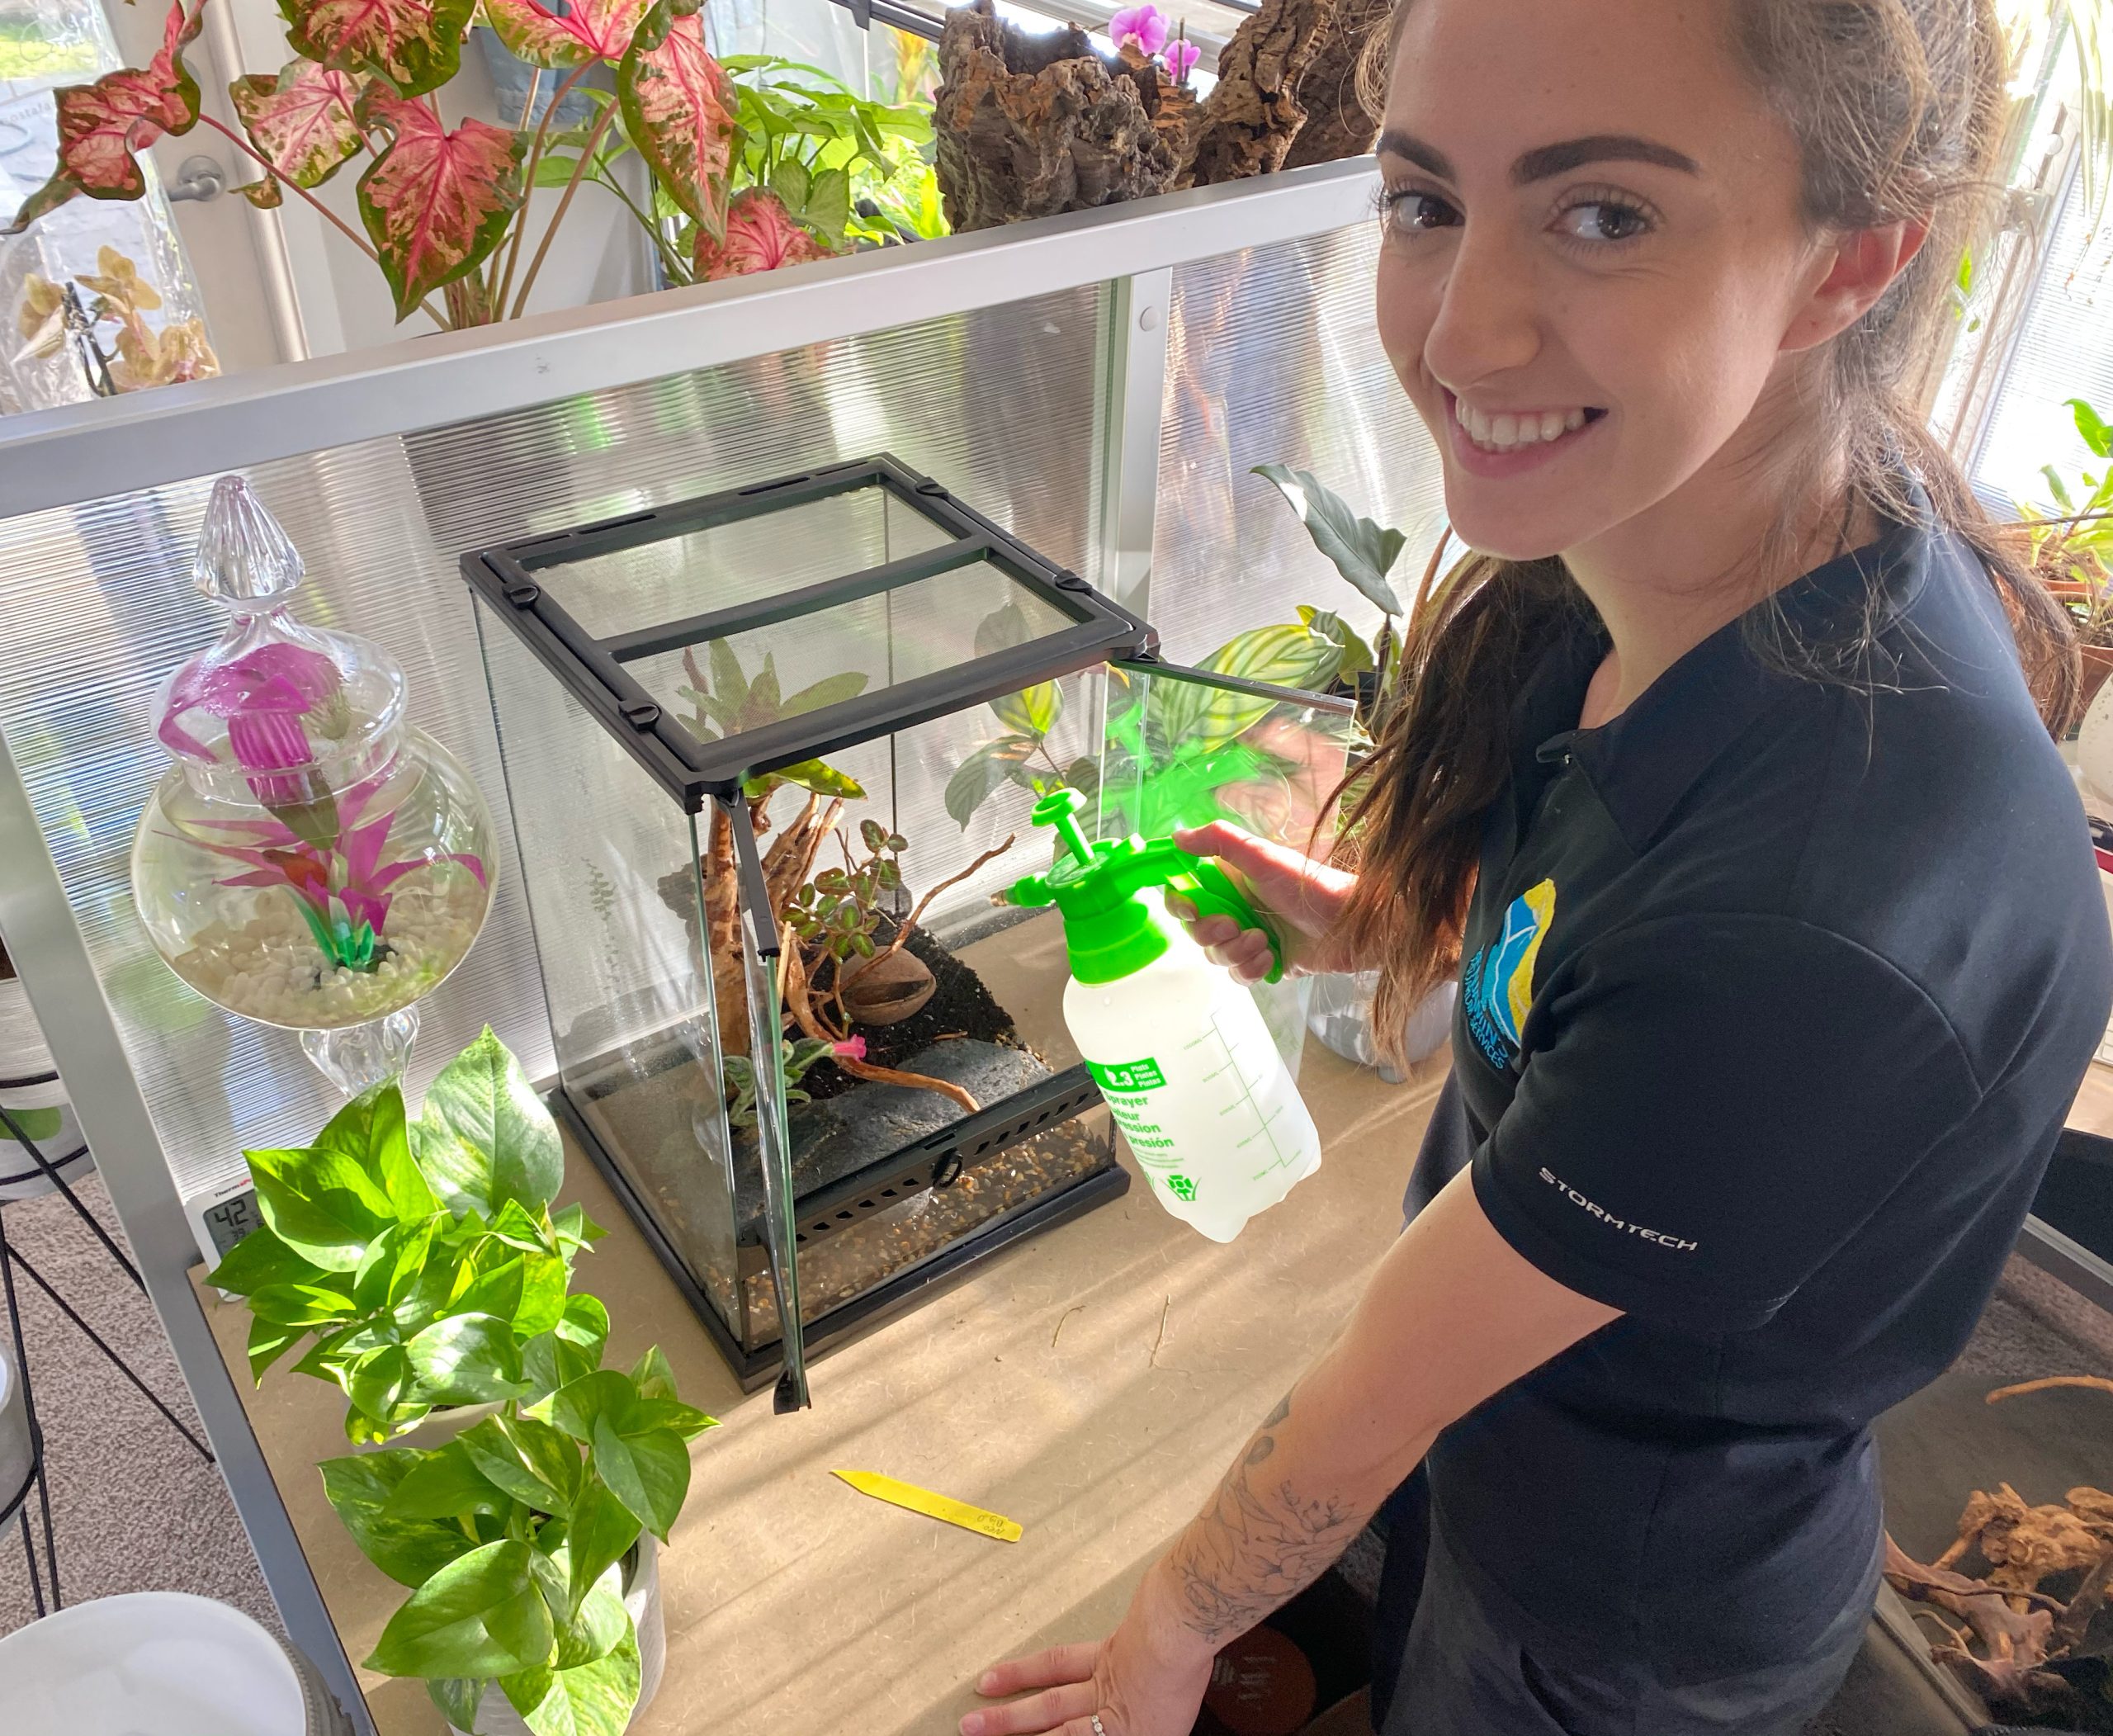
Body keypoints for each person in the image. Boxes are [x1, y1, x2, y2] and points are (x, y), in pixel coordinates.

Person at [960, 0, 2113, 1732]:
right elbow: (1602, 881)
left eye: (1604, 214)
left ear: (1844, 267)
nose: (1458, 332)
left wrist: (1162, 1641)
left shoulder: (1813, 918)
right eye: (1424, 201)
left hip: (1619, 1626)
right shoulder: (1675, 546)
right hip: (1502, 1470)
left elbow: (1369, 1383)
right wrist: (1381, 919)